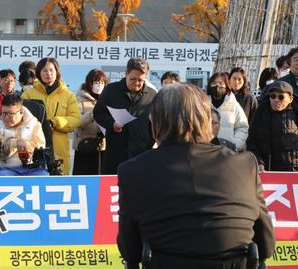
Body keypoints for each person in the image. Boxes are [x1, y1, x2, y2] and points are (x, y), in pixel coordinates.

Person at [118, 83, 275, 268]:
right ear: (208, 120)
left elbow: (130, 250)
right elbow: (266, 246)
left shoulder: (133, 171)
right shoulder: (245, 165)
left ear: (154, 126)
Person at [93, 58, 156, 175]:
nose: (136, 83)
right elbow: (98, 113)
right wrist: (112, 123)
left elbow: (157, 121)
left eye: (140, 80)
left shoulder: (152, 94)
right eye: (133, 79)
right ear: (126, 73)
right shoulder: (111, 90)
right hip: (116, 151)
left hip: (142, 152)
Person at [22, 58, 80, 175]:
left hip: (59, 145)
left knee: (59, 183)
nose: (48, 73)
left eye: (51, 70)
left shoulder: (68, 95)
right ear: (38, 73)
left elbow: (75, 119)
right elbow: (20, 117)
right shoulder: (28, 94)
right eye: (44, 70)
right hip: (34, 145)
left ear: (57, 72)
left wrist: (55, 122)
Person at [0, 94, 48, 176]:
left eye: (10, 114)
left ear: (21, 112)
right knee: (0, 178)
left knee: (43, 177)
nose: (6, 118)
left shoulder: (34, 124)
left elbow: (40, 146)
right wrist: (15, 142)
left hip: (33, 168)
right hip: (8, 169)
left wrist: (26, 144)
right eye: (4, 113)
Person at [247, 81, 298, 172]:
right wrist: (259, 162)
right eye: (273, 96)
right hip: (269, 171)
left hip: (294, 171)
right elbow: (252, 142)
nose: (276, 99)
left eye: (281, 97)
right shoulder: (260, 115)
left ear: (290, 98)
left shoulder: (296, 113)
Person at [72, 69, 107, 175]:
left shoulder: (107, 98)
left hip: (102, 146)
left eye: (102, 83)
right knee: (84, 178)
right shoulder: (79, 99)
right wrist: (92, 115)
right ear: (89, 83)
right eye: (96, 82)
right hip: (85, 146)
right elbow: (77, 122)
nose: (99, 85)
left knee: (101, 179)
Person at [206, 72, 248, 151]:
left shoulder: (234, 105)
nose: (217, 86)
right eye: (214, 83)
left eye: (221, 83)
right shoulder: (203, 104)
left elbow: (242, 128)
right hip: (206, 150)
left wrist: (234, 144)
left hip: (227, 153)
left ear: (227, 85)